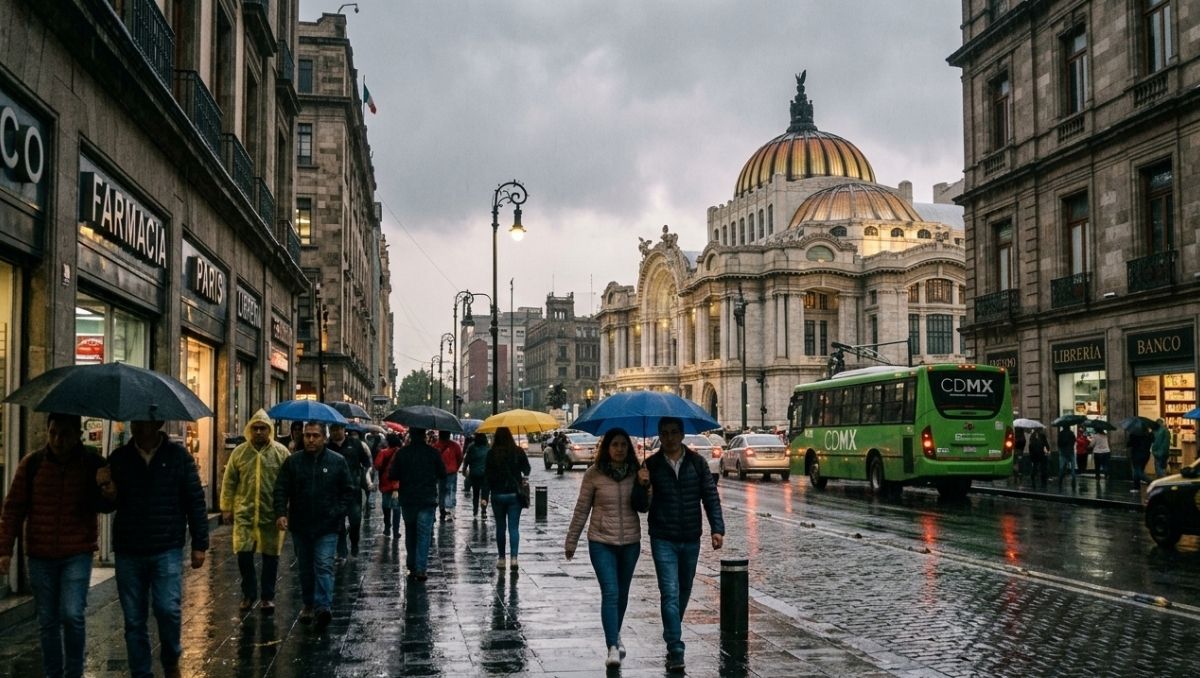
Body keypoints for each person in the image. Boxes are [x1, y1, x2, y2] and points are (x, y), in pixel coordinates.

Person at [0, 413, 115, 678]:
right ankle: (54, 673)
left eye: (64, 434)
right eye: (53, 432)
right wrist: (5, 549)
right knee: (47, 621)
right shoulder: (33, 464)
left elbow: (107, 505)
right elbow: (13, 508)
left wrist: (108, 488)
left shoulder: (91, 465)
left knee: (72, 614)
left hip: (77, 553)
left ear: (77, 435)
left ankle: (74, 672)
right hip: (40, 555)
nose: (57, 440)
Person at [108, 420, 208, 678]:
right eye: (135, 422)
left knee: (168, 608)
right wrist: (104, 487)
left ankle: (171, 658)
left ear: (157, 424)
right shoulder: (120, 458)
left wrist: (200, 543)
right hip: (129, 547)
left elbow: (194, 498)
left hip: (166, 546)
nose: (138, 428)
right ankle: (141, 672)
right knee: (133, 618)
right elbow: (107, 505)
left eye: (144, 422)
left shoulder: (177, 457)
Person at [632, 416, 725, 673]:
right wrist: (642, 485)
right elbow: (641, 506)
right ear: (659, 436)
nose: (670, 437)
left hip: (691, 537)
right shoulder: (650, 465)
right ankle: (675, 646)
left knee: (683, 591)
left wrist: (717, 528)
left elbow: (710, 495)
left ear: (682, 435)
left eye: (674, 432)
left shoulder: (697, 463)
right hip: (663, 537)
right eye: (665, 433)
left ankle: (672, 628)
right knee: (670, 593)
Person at [564, 428, 642, 669]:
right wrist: (571, 540)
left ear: (628, 449)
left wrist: (646, 486)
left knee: (623, 593)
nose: (619, 449)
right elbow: (581, 508)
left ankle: (615, 633)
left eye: (623, 445)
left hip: (630, 542)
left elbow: (645, 506)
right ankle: (611, 646)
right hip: (600, 541)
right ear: (606, 448)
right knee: (610, 592)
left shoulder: (637, 473)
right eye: (615, 444)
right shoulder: (593, 475)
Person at [273, 421, 353, 627]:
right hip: (301, 524)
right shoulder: (294, 462)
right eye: (307, 435)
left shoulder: (337, 461)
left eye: (315, 435)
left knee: (324, 565)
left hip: (327, 526)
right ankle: (308, 604)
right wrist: (281, 513)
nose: (310, 439)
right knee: (306, 568)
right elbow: (281, 488)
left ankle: (323, 606)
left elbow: (347, 490)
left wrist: (337, 512)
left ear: (324, 438)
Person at [220, 409, 290, 614]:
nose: (259, 432)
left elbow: (288, 483)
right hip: (245, 512)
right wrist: (226, 507)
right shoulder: (239, 453)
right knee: (244, 555)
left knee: (271, 556)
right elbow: (229, 481)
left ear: (269, 431)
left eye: (263, 429)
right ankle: (248, 594)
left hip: (271, 513)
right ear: (250, 430)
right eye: (255, 428)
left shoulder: (281, 453)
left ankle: (267, 597)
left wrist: (286, 509)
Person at [387, 427, 445, 581]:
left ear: (410, 436)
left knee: (410, 532)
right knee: (424, 534)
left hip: (408, 499)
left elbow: (392, 474)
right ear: (424, 435)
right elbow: (442, 473)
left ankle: (411, 564)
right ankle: (421, 568)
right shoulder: (433, 453)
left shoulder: (402, 453)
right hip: (427, 499)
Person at [484, 427, 531, 571]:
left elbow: (487, 477)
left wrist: (484, 497)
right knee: (513, 528)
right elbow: (527, 470)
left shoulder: (491, 453)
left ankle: (502, 559)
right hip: (514, 495)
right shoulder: (518, 451)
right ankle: (514, 559)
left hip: (497, 494)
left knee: (500, 527)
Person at [328, 423, 372, 561]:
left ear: (343, 430)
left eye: (338, 429)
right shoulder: (327, 446)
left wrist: (366, 479)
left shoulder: (355, 444)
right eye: (332, 429)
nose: (335, 432)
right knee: (338, 523)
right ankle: (342, 552)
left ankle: (354, 542)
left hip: (353, 490)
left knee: (355, 520)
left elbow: (366, 464)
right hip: (335, 492)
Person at [374, 433, 403, 538]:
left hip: (385, 483)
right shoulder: (401, 452)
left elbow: (377, 465)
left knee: (386, 506)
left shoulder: (383, 452)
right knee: (396, 508)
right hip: (398, 485)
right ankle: (396, 531)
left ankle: (387, 527)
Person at [433, 430, 464, 520]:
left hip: (439, 472)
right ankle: (449, 509)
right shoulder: (455, 445)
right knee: (450, 490)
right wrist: (456, 467)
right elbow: (460, 458)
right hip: (451, 472)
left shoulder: (436, 446)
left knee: (441, 491)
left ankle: (442, 509)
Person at [461, 432, 491, 517]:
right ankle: (484, 510)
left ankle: (475, 510)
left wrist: (464, 469)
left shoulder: (471, 447)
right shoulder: (488, 448)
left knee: (476, 493)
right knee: (485, 494)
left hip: (474, 474)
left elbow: (467, 460)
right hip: (485, 474)